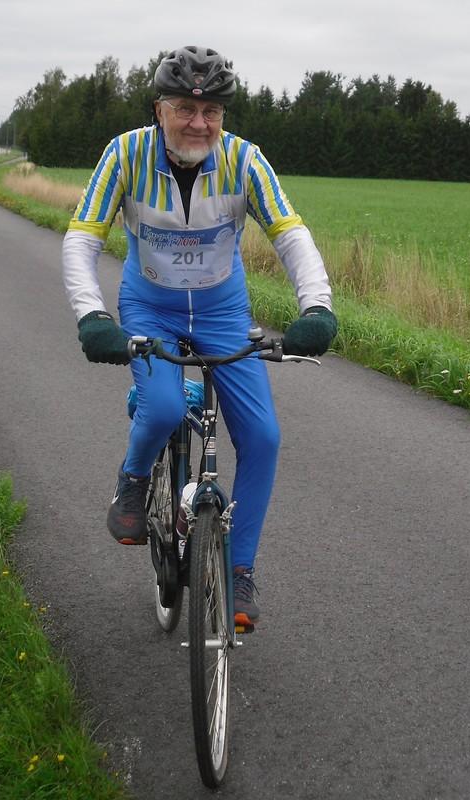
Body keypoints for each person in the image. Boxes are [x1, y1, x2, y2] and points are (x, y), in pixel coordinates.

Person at [62, 45, 337, 626]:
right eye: (185, 108)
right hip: (150, 307)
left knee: (262, 437)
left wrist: (317, 307)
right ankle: (134, 478)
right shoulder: (125, 154)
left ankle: (239, 571)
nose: (199, 122)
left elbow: (291, 234)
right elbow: (83, 237)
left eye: (211, 111)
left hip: (222, 312)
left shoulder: (244, 160)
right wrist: (92, 317)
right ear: (159, 110)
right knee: (163, 407)